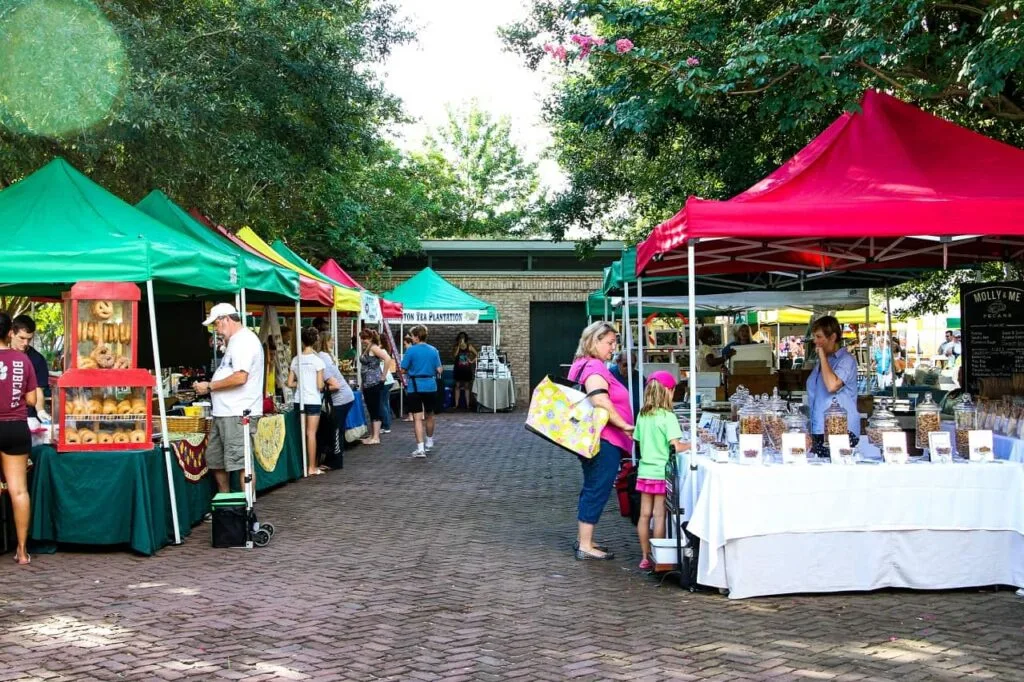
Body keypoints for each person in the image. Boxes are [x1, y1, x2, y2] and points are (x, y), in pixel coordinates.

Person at [568, 321, 634, 561]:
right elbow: (599, 400)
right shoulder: (594, 367)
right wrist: (624, 424)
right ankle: (585, 544)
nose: (613, 348)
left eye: (614, 343)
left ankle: (585, 538)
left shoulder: (581, 365)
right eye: (609, 343)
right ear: (594, 341)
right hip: (604, 440)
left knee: (593, 485)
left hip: (593, 438)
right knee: (598, 487)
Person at [195, 303, 265, 493]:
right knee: (216, 459)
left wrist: (209, 386)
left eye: (216, 325)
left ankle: (245, 508)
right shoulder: (235, 341)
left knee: (241, 462)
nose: (216, 330)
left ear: (226, 319)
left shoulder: (244, 341)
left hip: (237, 412)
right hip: (225, 412)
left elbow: (240, 377)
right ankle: (226, 503)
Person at [632, 372, 687, 571]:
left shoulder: (642, 415)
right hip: (661, 472)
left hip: (645, 470)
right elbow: (676, 447)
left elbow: (637, 439)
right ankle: (659, 557)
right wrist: (692, 444)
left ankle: (645, 556)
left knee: (644, 515)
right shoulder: (668, 417)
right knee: (659, 516)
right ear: (668, 392)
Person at [0, 311, 38, 565]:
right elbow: (32, 400)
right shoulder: (23, 360)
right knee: (19, 490)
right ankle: (22, 551)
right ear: (10, 332)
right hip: (16, 428)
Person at [807, 315, 861, 452]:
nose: (815, 341)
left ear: (833, 337)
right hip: (819, 428)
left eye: (819, 337)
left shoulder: (846, 360)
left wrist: (822, 357)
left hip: (840, 429)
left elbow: (832, 385)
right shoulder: (823, 362)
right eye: (814, 337)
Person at [287, 326, 325, 476]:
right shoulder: (318, 361)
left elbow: (289, 383)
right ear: (316, 341)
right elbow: (320, 385)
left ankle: (301, 466)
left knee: (300, 433)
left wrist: (300, 383)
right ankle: (311, 467)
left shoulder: (296, 360)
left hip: (299, 400)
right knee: (311, 434)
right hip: (313, 400)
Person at [401, 325, 442, 458]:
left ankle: (420, 448)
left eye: (412, 336)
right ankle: (429, 441)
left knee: (417, 418)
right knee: (430, 414)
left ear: (417, 337)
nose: (411, 338)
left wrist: (410, 370)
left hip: (415, 386)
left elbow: (402, 369)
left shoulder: (411, 351)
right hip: (431, 385)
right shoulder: (434, 350)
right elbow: (439, 369)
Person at [317, 334, 354, 470]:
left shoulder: (321, 359)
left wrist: (320, 389)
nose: (333, 342)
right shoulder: (326, 356)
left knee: (336, 430)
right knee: (337, 429)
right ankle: (334, 457)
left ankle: (336, 461)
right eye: (331, 340)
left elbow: (335, 385)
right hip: (344, 397)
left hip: (341, 399)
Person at [10, 315, 50, 421]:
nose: (25, 343)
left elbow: (37, 389)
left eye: (29, 339)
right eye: (22, 338)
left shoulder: (37, 359)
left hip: (27, 417)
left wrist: (41, 410)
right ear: (11, 333)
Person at [358, 329, 391, 446]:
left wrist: (383, 376)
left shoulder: (374, 348)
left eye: (365, 338)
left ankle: (376, 437)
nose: (363, 341)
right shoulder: (368, 348)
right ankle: (373, 435)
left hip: (374, 383)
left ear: (371, 338)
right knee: (371, 409)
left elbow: (387, 358)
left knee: (375, 409)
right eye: (362, 338)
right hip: (367, 383)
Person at [609, 351, 642, 416]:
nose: (629, 369)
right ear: (618, 362)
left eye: (632, 365)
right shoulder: (610, 375)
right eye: (625, 365)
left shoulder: (639, 377)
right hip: (617, 418)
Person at [451, 332, 478, 411]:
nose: (461, 340)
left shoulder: (469, 346)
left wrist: (472, 361)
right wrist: (459, 346)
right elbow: (455, 355)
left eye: (462, 338)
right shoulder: (456, 346)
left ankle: (467, 405)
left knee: (467, 386)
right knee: (457, 386)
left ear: (465, 339)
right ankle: (456, 405)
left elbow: (477, 354)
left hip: (466, 369)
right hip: (458, 369)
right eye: (460, 338)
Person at [401, 334, 416, 422]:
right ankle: (419, 415)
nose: (404, 346)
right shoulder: (414, 351)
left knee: (410, 397)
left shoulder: (409, 352)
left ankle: (411, 415)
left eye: (405, 344)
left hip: (410, 377)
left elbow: (405, 367)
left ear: (409, 343)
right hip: (412, 377)